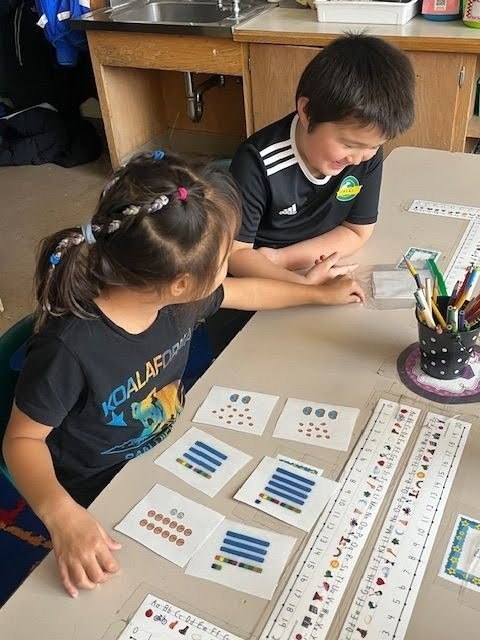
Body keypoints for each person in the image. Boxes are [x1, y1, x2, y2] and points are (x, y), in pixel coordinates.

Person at [2, 151, 364, 599]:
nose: (228, 265)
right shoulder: (69, 348)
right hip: (96, 482)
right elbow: (21, 441)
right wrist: (62, 514)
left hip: (168, 446)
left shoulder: (173, 299)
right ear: (181, 283)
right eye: (223, 259)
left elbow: (246, 290)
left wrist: (314, 293)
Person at [228, 33, 416, 284]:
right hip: (262, 279)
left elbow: (356, 231)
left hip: (301, 266)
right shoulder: (257, 162)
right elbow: (237, 256)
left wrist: (283, 259)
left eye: (373, 146)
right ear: (306, 111)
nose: (359, 159)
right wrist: (304, 285)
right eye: (348, 144)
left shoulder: (366, 153)